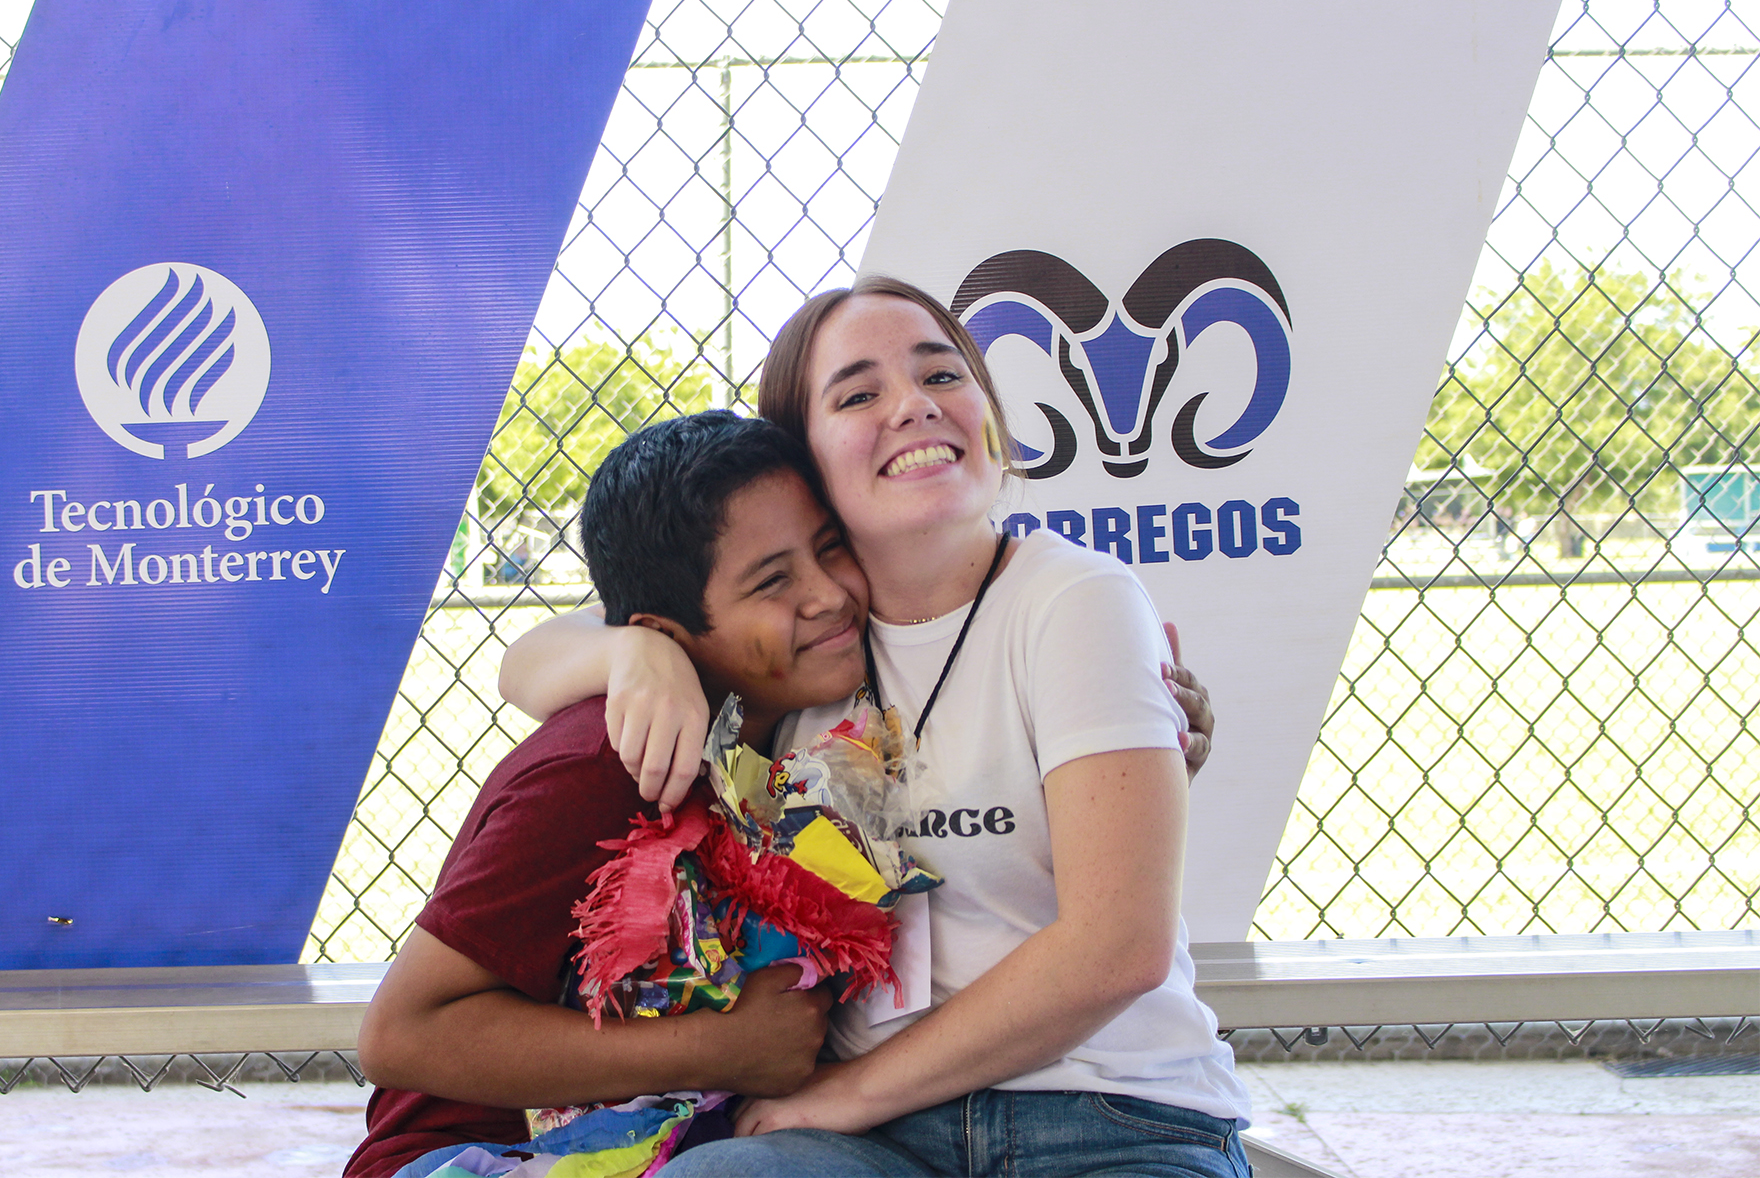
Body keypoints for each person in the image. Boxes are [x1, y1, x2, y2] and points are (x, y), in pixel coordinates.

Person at [498, 276, 1251, 1177]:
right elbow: (528, 660)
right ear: (805, 465)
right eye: (859, 393)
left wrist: (839, 1097)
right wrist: (631, 654)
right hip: (869, 1148)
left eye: (943, 375)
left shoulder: (1074, 599)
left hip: (1105, 1112)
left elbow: (1117, 948)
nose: (914, 407)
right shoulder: (800, 641)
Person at [349, 413, 867, 1178]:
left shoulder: (808, 722)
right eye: (772, 581)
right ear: (666, 630)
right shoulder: (602, 765)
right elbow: (400, 1034)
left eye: (830, 548)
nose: (829, 596)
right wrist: (721, 1050)